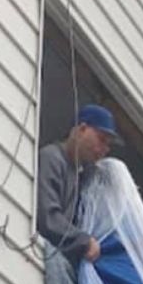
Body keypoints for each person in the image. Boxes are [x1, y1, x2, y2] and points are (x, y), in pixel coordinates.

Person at [36, 104, 124, 266]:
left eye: (108, 145)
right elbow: (47, 217)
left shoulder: (82, 176)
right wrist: (84, 241)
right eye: (101, 139)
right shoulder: (52, 158)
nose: (105, 149)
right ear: (82, 129)